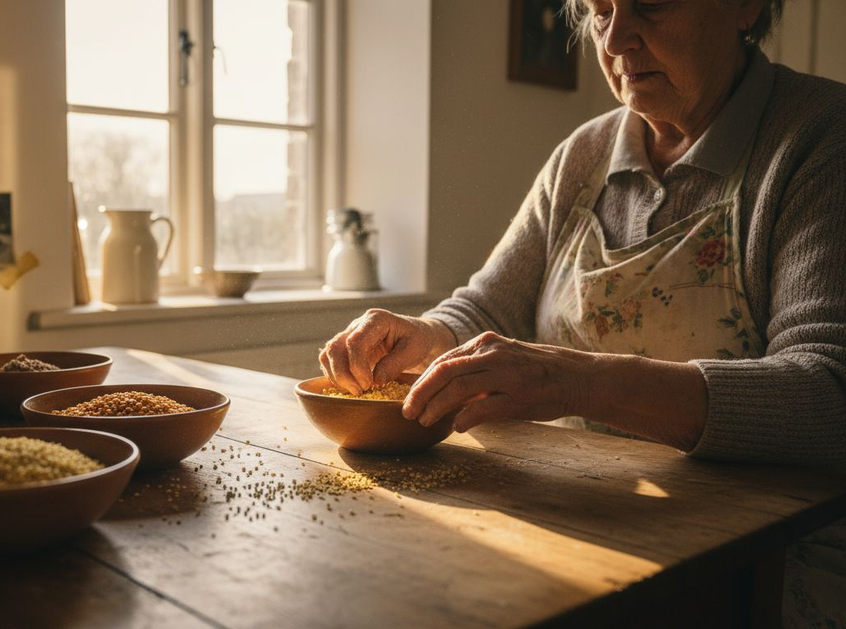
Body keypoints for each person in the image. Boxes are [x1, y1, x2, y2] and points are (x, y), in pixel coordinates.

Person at [319, 1, 845, 624]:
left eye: (649, 5)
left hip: (765, 565)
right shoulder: (585, 154)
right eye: (599, 12)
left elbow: (828, 395)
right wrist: (427, 335)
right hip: (582, 524)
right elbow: (489, 305)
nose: (617, 39)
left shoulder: (819, 137)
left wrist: (576, 380)